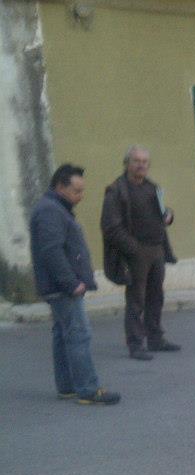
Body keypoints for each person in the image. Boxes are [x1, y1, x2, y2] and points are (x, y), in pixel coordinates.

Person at [29, 164, 120, 406]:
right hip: (63, 288)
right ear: (60, 186)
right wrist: (71, 283)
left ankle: (67, 386)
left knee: (63, 334)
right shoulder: (50, 211)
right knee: (79, 334)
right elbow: (51, 251)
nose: (81, 196)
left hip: (59, 286)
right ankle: (88, 389)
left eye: (82, 190)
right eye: (76, 190)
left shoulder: (55, 208)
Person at [101, 145, 179, 361]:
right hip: (136, 253)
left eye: (145, 161)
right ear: (127, 163)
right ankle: (135, 344)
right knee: (136, 300)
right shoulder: (117, 190)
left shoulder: (152, 188)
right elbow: (110, 227)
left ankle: (155, 338)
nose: (141, 165)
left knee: (156, 296)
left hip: (157, 250)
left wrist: (169, 216)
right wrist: (134, 249)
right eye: (137, 161)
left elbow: (163, 214)